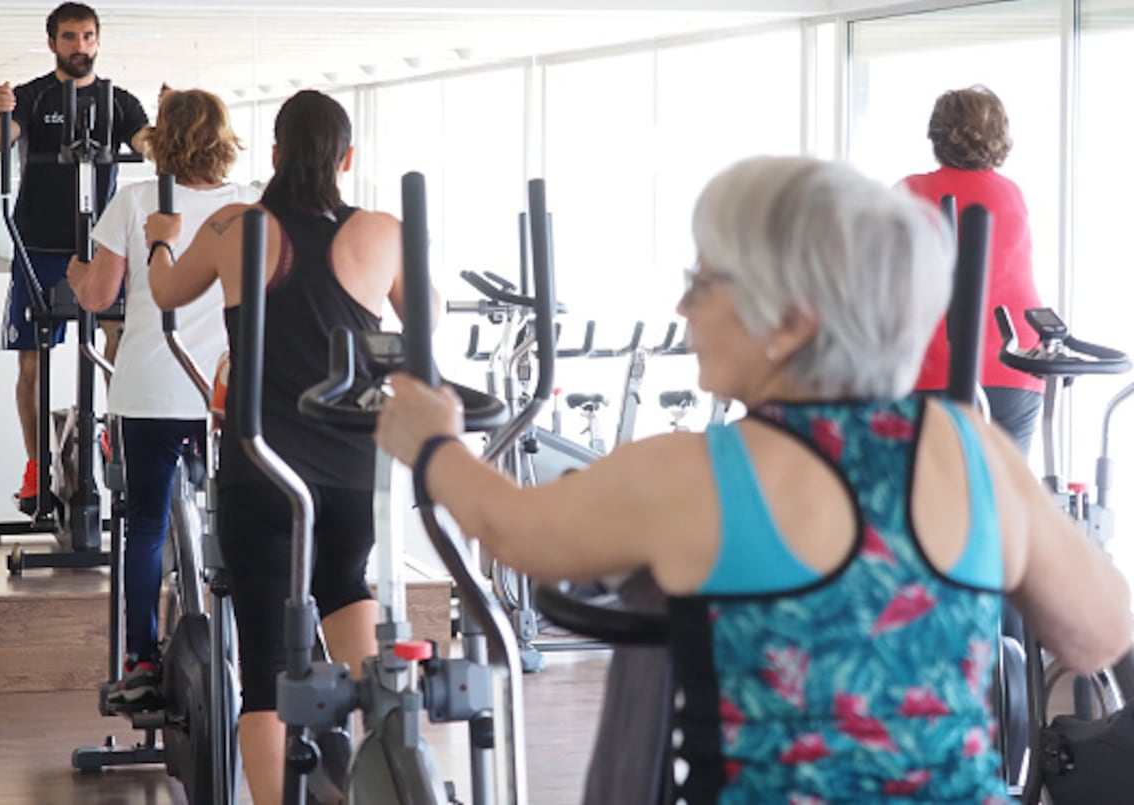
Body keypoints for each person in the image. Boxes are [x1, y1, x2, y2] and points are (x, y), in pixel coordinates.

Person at [375, 156, 1132, 803]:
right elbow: (1099, 634)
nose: (682, 305)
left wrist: (434, 442)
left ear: (793, 318)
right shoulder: (974, 450)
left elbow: (511, 529)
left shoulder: (692, 473)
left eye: (704, 281)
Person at [142, 89, 433, 804]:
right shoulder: (383, 232)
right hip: (352, 477)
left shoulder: (236, 226)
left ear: (273, 154)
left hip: (262, 473)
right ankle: (398, 776)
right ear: (347, 158)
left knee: (269, 670)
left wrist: (159, 236)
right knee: (347, 593)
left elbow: (165, 292)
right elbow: (425, 328)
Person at [65, 88, 257, 706]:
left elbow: (97, 296)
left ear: (159, 139)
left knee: (145, 525)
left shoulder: (136, 201)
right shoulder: (248, 207)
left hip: (149, 388)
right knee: (242, 525)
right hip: (227, 395)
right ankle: (254, 654)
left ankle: (142, 662)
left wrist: (72, 269)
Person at [0, 1, 150, 514]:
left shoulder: (119, 101)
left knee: (117, 345)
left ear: (98, 41)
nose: (81, 46)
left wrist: (174, 128)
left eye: (88, 37)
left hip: (102, 246)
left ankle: (120, 446)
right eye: (70, 37)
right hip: (39, 246)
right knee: (32, 361)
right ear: (53, 41)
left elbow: (150, 145)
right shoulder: (34, 96)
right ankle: (38, 469)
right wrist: (2, 112)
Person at [900, 85, 1045, 454]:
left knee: (931, 496)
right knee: (1001, 499)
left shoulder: (909, 192)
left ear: (936, 135)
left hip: (935, 368)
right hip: (1016, 369)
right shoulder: (1012, 194)